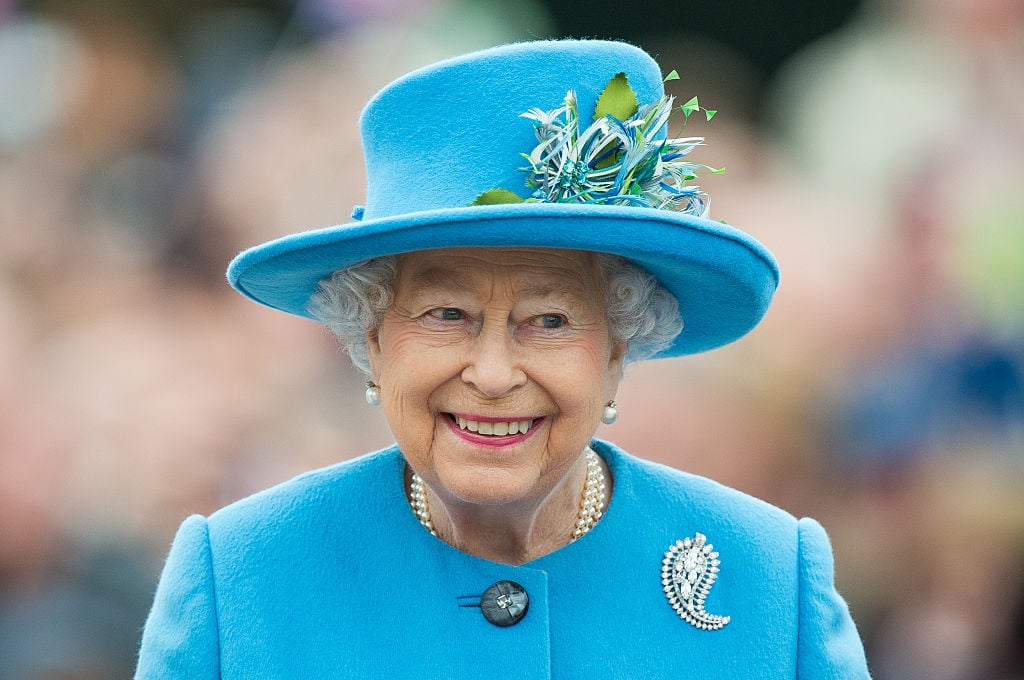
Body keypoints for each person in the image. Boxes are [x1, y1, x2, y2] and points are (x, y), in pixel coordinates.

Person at [135, 39, 871, 678]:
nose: (491, 374)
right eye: (446, 315)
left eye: (548, 320)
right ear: (371, 340)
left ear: (618, 347)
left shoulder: (770, 580)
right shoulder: (239, 578)